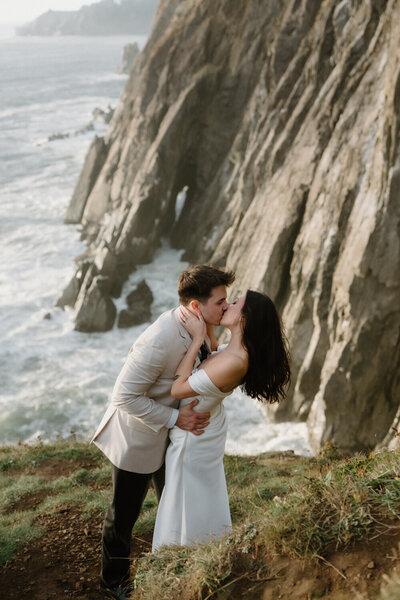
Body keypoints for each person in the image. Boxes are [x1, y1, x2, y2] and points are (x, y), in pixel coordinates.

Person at [92, 264, 235, 600]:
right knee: (123, 514)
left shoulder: (198, 325)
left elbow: (204, 361)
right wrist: (175, 421)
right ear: (196, 307)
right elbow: (123, 397)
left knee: (172, 503)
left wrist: (208, 336)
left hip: (170, 438)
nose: (226, 307)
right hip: (137, 437)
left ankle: (175, 569)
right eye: (221, 302)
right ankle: (112, 583)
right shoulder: (160, 338)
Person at [152, 290, 291, 551]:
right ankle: (199, 548)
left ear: (245, 318)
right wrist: (207, 328)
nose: (227, 305)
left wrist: (195, 340)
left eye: (235, 303)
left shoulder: (236, 361)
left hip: (195, 437)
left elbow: (178, 389)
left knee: (188, 499)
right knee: (198, 496)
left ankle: (187, 551)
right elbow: (214, 352)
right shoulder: (236, 350)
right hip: (206, 426)